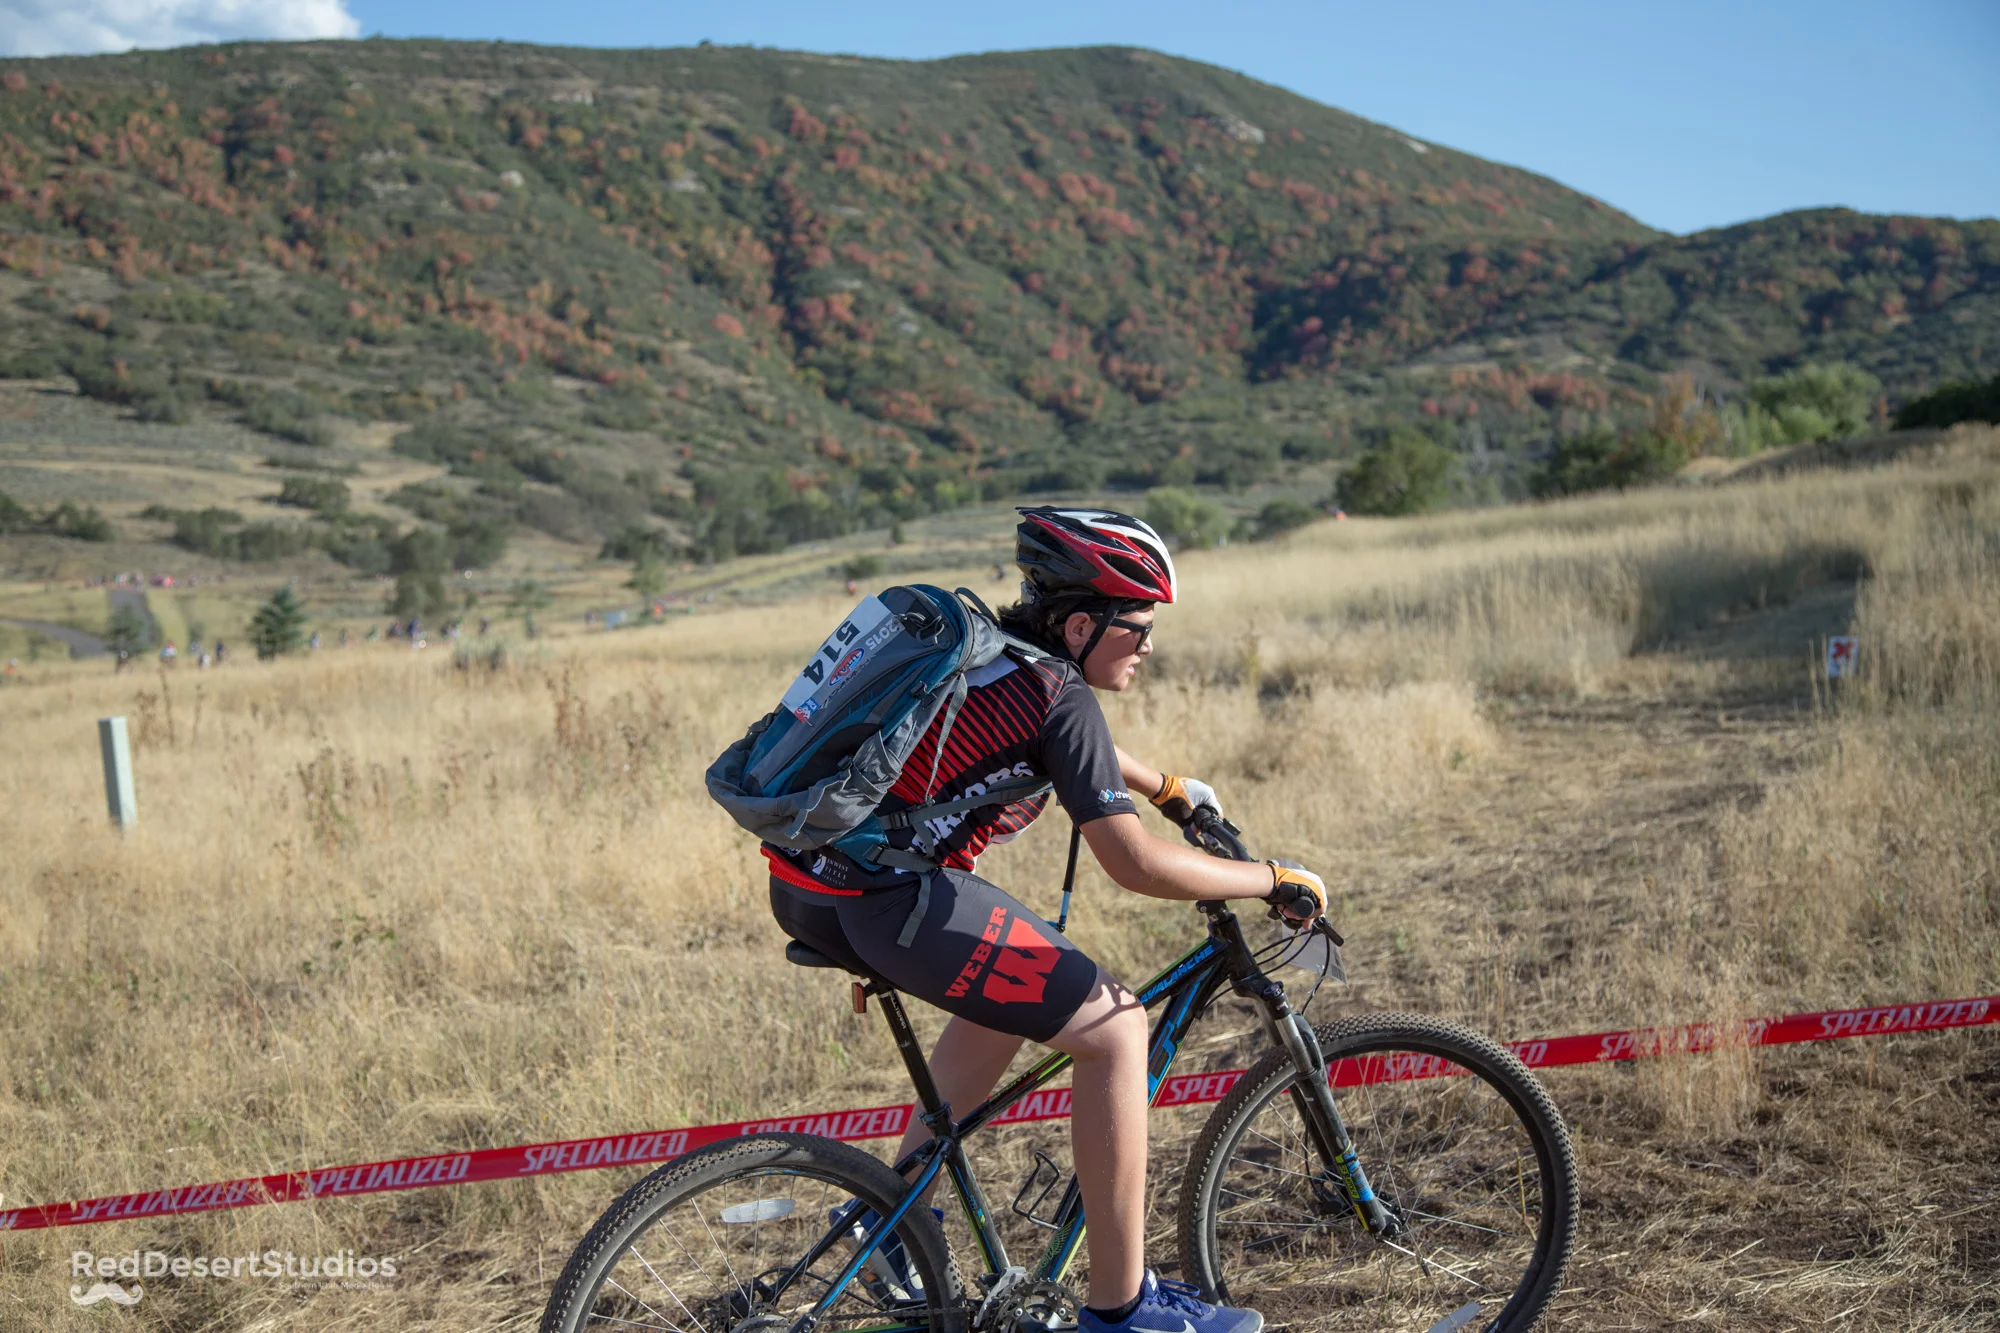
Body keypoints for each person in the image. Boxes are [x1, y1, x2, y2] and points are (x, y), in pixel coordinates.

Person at [758, 507, 1326, 1333]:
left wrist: (1166, 786)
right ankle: (1122, 1308)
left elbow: (1073, 745)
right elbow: (1133, 862)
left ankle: (890, 1230)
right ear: (1083, 624)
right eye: (1139, 626)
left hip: (812, 886)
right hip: (892, 902)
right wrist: (1267, 877)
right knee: (1118, 1027)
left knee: (1012, 996)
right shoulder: (1061, 695)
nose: (1149, 645)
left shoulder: (994, 652)